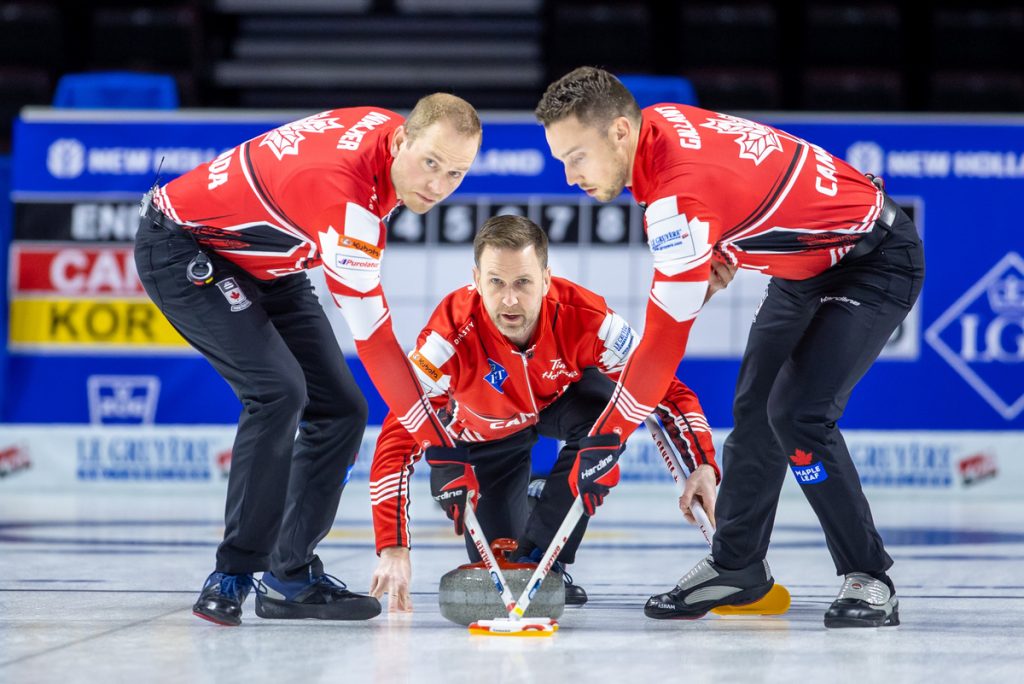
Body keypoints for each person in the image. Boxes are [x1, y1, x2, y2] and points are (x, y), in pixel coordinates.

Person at [534, 67, 924, 628]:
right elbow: (755, 177)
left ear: (620, 131)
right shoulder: (661, 122)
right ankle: (737, 567)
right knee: (755, 409)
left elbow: (662, 347)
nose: (570, 178)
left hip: (876, 262)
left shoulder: (677, 199)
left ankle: (869, 576)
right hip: (806, 267)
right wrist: (727, 251)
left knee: (797, 415)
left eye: (576, 157)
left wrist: (609, 437)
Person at [134, 94, 482, 626]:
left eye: (456, 173)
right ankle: (233, 572)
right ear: (402, 140)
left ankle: (288, 577)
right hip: (186, 246)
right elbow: (378, 344)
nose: (437, 186)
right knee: (278, 391)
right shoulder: (346, 206)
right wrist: (438, 445)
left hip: (267, 254)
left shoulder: (393, 136)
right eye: (430, 164)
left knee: (341, 407)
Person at [366, 215, 718, 612]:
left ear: (547, 280)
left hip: (561, 402)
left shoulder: (587, 318)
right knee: (501, 573)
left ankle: (547, 551)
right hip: (488, 433)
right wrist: (393, 547)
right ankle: (532, 516)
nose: (510, 300)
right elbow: (397, 437)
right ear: (476, 279)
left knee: (604, 417)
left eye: (524, 283)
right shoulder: (445, 341)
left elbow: (663, 387)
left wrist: (702, 463)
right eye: (496, 282)